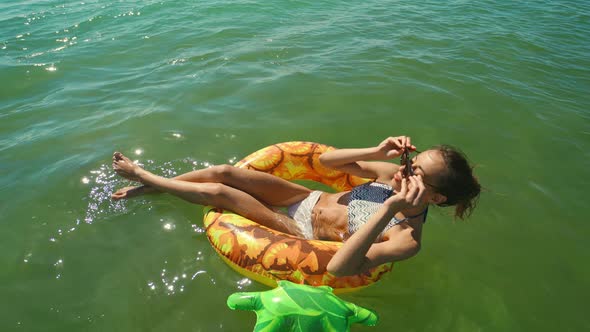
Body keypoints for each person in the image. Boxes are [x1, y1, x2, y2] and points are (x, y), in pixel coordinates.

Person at [111, 136, 480, 276]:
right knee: (225, 171)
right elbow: (329, 164)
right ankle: (157, 188)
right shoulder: (389, 173)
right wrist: (376, 151)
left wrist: (388, 208)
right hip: (302, 199)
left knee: (221, 193)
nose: (404, 170)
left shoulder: (406, 240)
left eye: (415, 172)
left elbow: (338, 267)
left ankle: (144, 178)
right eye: (410, 162)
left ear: (435, 198)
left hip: (297, 231)